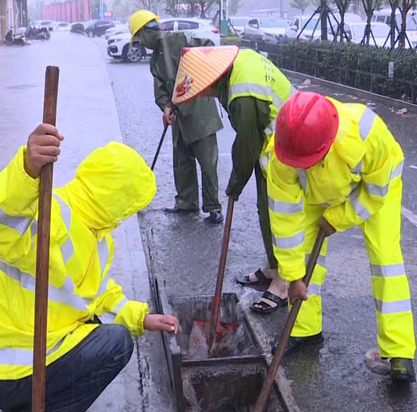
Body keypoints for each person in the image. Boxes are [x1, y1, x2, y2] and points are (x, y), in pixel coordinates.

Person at [0, 124, 180, 411]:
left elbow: (97, 296)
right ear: (118, 202)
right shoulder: (49, 213)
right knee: (115, 343)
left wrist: (141, 318)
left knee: (102, 330)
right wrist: (27, 169)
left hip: (19, 353)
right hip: (0, 365)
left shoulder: (97, 236)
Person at [266, 91, 415, 382]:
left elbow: (374, 193)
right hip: (317, 192)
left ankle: (400, 353)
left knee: (387, 262)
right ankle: (304, 330)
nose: (299, 166)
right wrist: (293, 277)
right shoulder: (283, 153)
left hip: (375, 188)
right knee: (305, 255)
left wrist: (337, 218)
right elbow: (285, 221)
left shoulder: (368, 133)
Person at [171, 46, 296, 314]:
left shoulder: (242, 95)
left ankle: (284, 282)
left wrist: (234, 186)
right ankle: (274, 267)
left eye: (200, 88)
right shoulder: (239, 63)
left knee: (278, 216)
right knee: (265, 211)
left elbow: (247, 146)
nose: (201, 94)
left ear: (211, 79)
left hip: (286, 148)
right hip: (273, 144)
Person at [128, 10, 224, 224]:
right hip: (179, 115)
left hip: (200, 113)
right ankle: (186, 202)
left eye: (140, 39)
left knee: (207, 163)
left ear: (146, 32)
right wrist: (165, 107)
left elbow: (209, 47)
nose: (141, 44)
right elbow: (160, 89)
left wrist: (201, 76)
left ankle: (213, 207)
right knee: (182, 162)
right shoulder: (155, 60)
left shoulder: (179, 40)